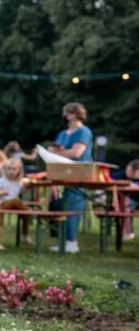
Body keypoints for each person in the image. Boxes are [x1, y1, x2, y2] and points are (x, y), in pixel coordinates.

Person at [47, 102, 93, 253]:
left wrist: (57, 153)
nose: (67, 115)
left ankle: (72, 241)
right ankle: (62, 239)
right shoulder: (63, 133)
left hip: (79, 173)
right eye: (66, 112)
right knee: (57, 202)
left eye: (70, 112)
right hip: (61, 172)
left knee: (74, 203)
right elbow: (53, 149)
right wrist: (55, 151)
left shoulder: (84, 132)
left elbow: (77, 153)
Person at [0, 157, 33, 245]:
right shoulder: (1, 181)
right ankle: (28, 210)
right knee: (17, 201)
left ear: (19, 170)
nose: (11, 171)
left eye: (14, 169)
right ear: (5, 169)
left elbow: (21, 191)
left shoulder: (19, 181)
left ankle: (26, 235)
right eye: (9, 169)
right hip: (3, 203)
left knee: (24, 214)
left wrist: (26, 187)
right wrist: (2, 192)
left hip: (16, 205)